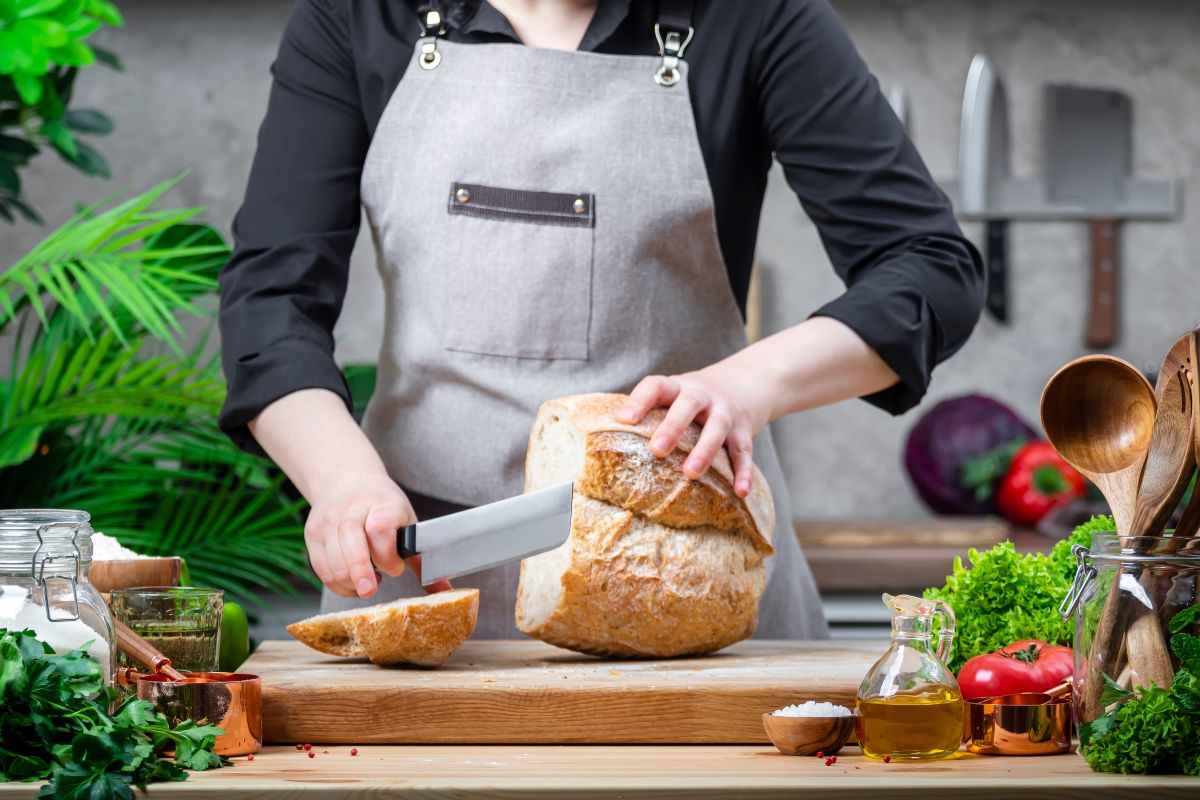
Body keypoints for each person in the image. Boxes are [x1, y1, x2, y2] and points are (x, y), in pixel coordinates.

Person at [218, 0, 984, 639]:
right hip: (417, 579)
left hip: (691, 567)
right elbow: (271, 302)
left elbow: (929, 267)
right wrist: (343, 482)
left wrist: (746, 384)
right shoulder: (357, 15)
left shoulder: (755, 15)